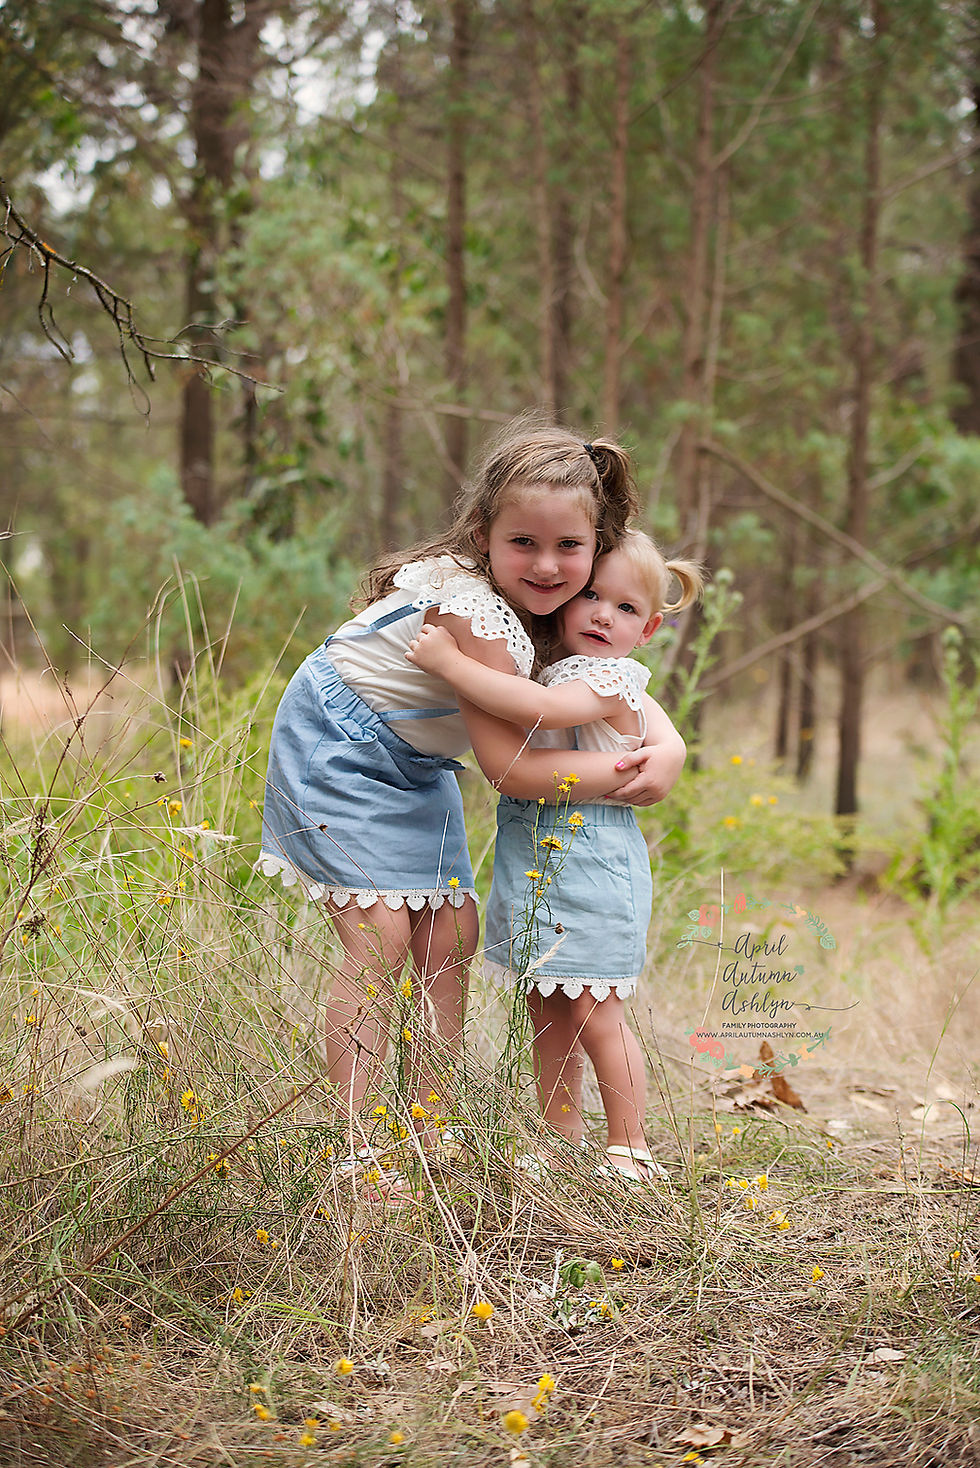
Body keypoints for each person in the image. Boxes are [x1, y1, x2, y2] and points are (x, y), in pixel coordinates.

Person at [257, 423, 680, 1135]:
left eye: (569, 547)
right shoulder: (473, 610)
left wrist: (668, 751)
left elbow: (618, 692)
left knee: (451, 930)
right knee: (380, 939)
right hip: (339, 741)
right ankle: (355, 1143)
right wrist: (622, 770)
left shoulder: (554, 611)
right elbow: (512, 769)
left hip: (415, 761)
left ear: (596, 544)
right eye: (525, 543)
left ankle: (431, 1129)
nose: (546, 565)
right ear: (483, 533)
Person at [405, 530, 703, 1181]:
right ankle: (559, 1135)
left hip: (593, 860)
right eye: (592, 593)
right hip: (535, 854)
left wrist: (453, 665)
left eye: (625, 608)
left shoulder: (613, 679)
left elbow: (539, 710)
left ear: (648, 629)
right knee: (547, 1002)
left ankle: (629, 1145)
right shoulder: (561, 665)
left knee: (596, 1009)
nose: (602, 613)